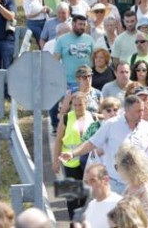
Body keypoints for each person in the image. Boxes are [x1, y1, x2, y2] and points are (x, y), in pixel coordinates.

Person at [60, 94, 148, 194]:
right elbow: (92, 143)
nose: (141, 114)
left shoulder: (147, 127)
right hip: (116, 185)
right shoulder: (111, 124)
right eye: (138, 111)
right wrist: (73, 154)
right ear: (127, 111)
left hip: (139, 186)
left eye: (142, 110)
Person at [51, 90, 96, 218]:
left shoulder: (92, 117)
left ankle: (82, 221)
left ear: (85, 104)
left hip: (87, 162)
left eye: (80, 105)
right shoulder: (66, 118)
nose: (77, 108)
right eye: (75, 105)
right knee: (71, 196)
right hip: (69, 162)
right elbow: (58, 140)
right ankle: (72, 221)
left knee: (85, 194)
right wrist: (55, 161)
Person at [114, 144, 148, 228]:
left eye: (116, 166)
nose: (116, 171)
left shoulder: (147, 190)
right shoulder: (129, 187)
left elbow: (147, 221)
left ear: (128, 167)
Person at [82, 162, 123, 228]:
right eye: (86, 182)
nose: (88, 186)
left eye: (93, 181)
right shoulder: (90, 205)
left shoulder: (120, 204)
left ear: (106, 180)